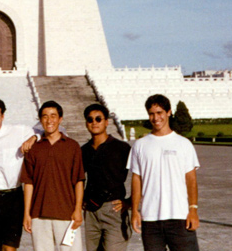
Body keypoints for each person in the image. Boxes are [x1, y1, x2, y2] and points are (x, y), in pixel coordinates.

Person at [129, 94, 200, 251]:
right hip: (150, 219)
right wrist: (134, 211)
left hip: (180, 217)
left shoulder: (183, 144)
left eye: (159, 112)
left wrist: (193, 210)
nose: (156, 118)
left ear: (168, 112)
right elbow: (136, 180)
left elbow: (191, 180)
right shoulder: (139, 145)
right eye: (151, 114)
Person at [20, 100, 85, 251]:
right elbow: (28, 183)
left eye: (53, 116)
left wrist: (78, 210)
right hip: (39, 215)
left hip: (67, 214)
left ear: (60, 119)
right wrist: (27, 213)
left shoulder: (72, 146)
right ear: (40, 120)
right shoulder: (33, 148)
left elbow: (79, 181)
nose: (49, 120)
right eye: (45, 116)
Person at [0, 97, 39, 251]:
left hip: (13, 198)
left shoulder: (18, 131)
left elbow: (43, 130)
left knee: (9, 248)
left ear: (3, 116)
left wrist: (33, 138)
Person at [81, 103, 131, 251]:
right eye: (90, 119)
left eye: (98, 119)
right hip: (91, 211)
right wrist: (81, 200)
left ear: (106, 122)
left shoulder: (122, 148)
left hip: (114, 209)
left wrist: (129, 202)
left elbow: (139, 176)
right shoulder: (84, 150)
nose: (94, 123)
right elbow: (78, 178)